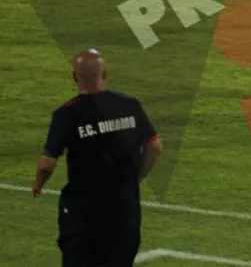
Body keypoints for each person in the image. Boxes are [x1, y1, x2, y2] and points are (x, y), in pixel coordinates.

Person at [31, 49, 163, 267]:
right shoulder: (130, 105)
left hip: (84, 215)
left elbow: (47, 164)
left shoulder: (67, 114)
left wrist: (38, 184)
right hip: (124, 210)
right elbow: (154, 147)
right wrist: (133, 181)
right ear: (105, 73)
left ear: (74, 76)